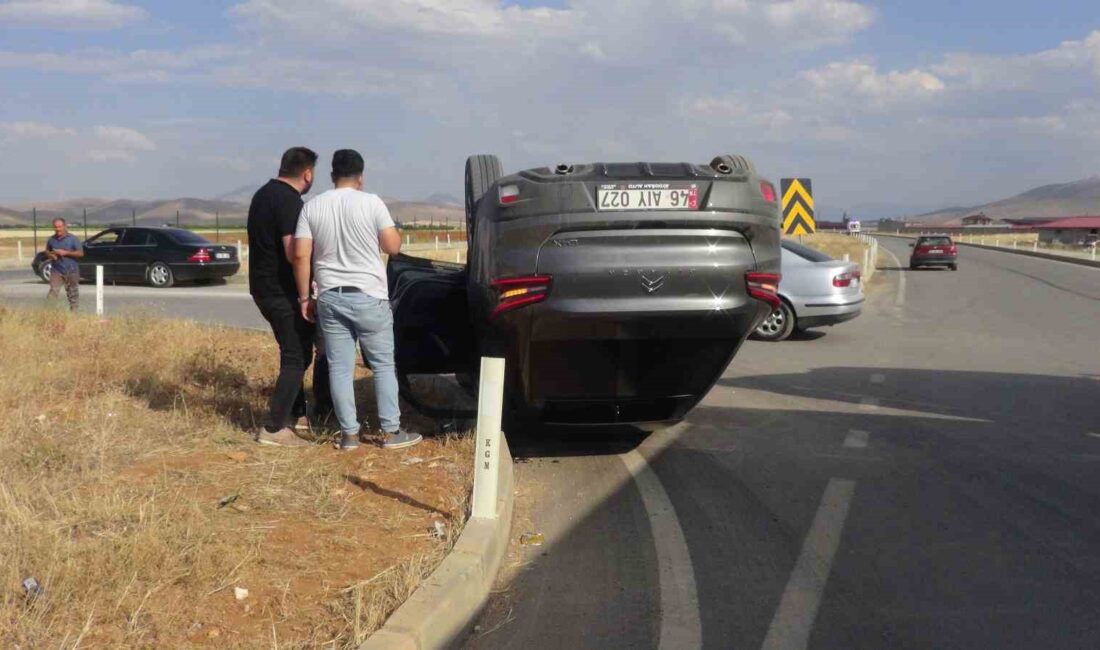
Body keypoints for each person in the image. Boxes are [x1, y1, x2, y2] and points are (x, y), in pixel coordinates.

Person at [293, 149, 421, 451]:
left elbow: (301, 254)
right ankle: (390, 431)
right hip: (369, 295)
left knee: (339, 368)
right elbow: (393, 246)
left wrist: (304, 297)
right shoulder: (372, 202)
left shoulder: (312, 206)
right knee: (383, 365)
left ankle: (348, 435)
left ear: (332, 175)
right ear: (360, 176)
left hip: (329, 297)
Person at [247, 147, 332, 447]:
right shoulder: (289, 202)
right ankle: (274, 429)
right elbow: (294, 252)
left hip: (262, 287)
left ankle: (296, 414)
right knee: (297, 356)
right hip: (281, 291)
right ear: (307, 174)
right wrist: (304, 295)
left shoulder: (263, 194)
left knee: (291, 351)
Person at [45, 218, 82, 311]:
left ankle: (74, 314)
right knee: (53, 292)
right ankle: (50, 314)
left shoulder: (73, 239)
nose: (58, 229)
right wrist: (51, 255)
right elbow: (47, 251)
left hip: (71, 270)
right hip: (56, 270)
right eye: (55, 227)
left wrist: (65, 253)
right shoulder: (51, 240)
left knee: (72, 294)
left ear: (64, 226)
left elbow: (80, 253)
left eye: (60, 227)